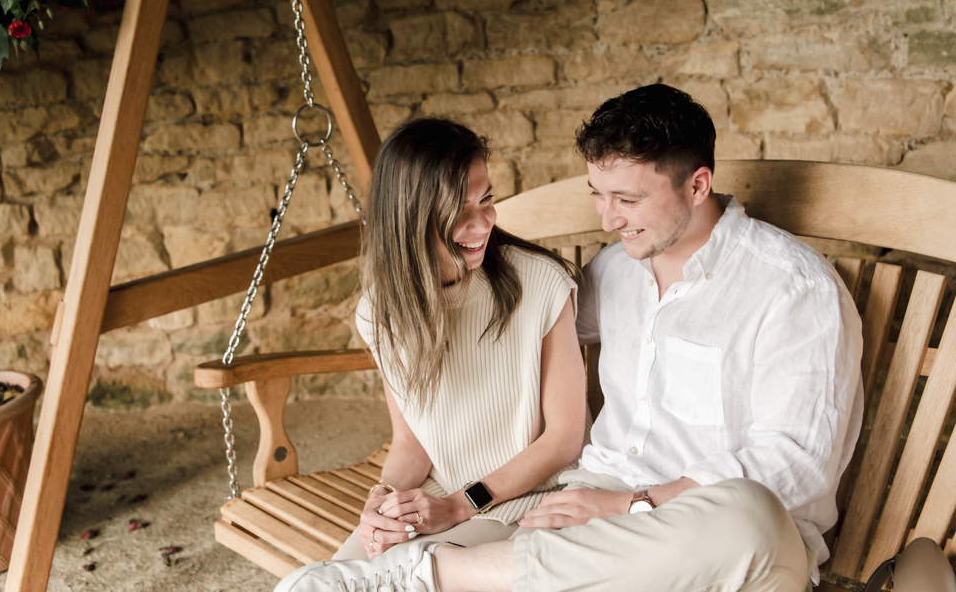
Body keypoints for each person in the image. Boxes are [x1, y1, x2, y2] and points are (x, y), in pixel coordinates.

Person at [274, 84, 864, 592]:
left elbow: (794, 466)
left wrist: (631, 506)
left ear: (698, 185)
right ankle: (430, 568)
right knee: (495, 539)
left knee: (748, 512)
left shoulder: (793, 291)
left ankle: (430, 575)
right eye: (598, 197)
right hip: (586, 526)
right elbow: (510, 342)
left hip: (722, 551)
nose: (608, 220)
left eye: (627, 200)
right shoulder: (616, 271)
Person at [329, 117, 588, 561]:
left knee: (409, 581)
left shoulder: (541, 284)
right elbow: (411, 443)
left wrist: (458, 505)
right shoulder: (379, 312)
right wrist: (381, 499)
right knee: (327, 582)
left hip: (525, 499)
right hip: (439, 495)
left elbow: (565, 438)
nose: (482, 222)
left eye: (486, 199)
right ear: (409, 222)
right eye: (456, 212)